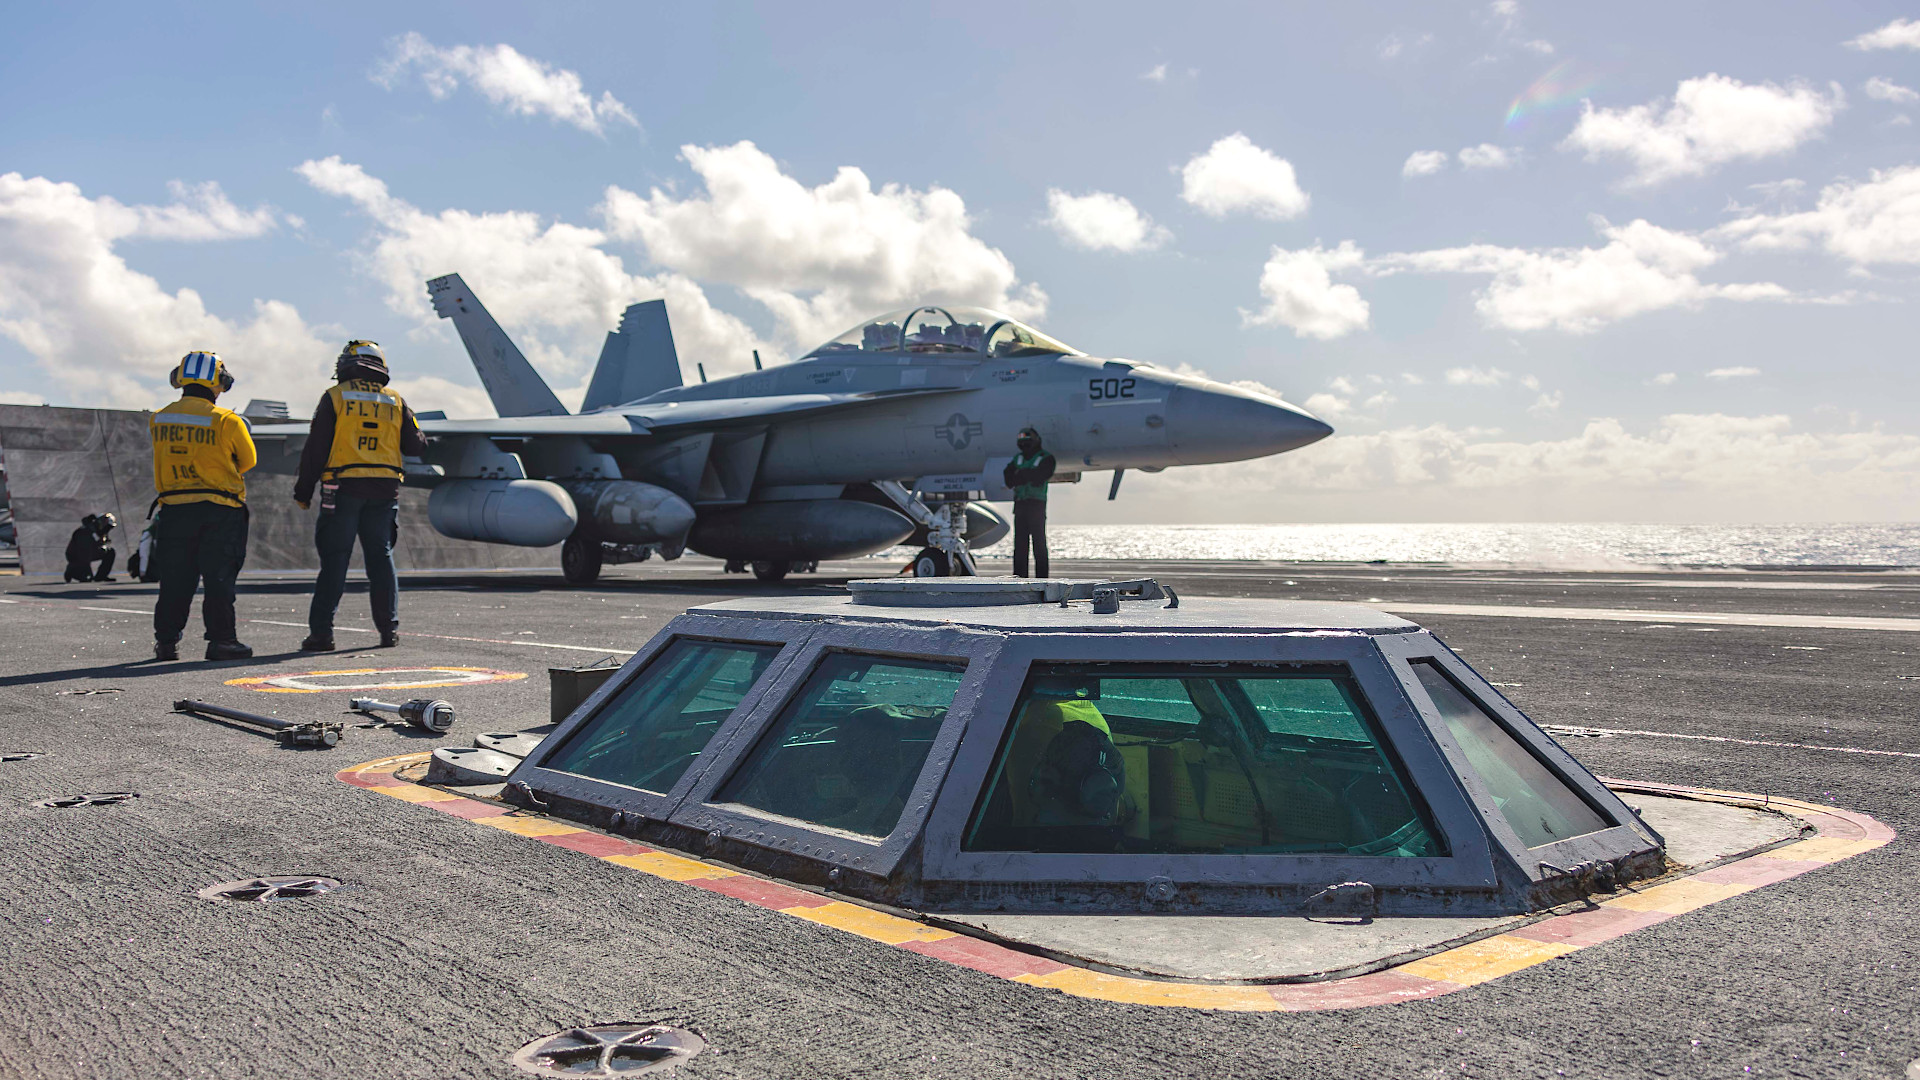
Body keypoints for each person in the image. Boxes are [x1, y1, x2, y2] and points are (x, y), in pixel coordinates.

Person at [293, 340, 425, 652]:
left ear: (344, 366)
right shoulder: (395, 400)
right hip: (384, 490)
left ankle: (322, 635)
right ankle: (388, 632)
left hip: (343, 490)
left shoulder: (335, 398)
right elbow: (416, 446)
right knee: (381, 558)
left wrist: (304, 490)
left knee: (336, 560)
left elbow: (315, 449)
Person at [149, 350, 256, 661]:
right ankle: (222, 641)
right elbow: (248, 461)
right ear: (219, 383)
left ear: (178, 379)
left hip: (174, 509)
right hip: (220, 510)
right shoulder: (227, 421)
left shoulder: (159, 418)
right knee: (218, 578)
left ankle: (166, 642)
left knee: (175, 579)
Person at [1001, 427, 1055, 578]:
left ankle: (1043, 580)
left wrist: (1021, 475)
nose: (1024, 446)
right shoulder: (1018, 458)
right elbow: (1009, 477)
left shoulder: (1045, 457)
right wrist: (1026, 475)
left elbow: (1040, 476)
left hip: (1036, 505)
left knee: (1039, 545)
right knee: (1020, 546)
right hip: (1020, 505)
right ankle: (1019, 579)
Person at [63, 513, 118, 582]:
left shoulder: (99, 532)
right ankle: (71, 571)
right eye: (106, 527)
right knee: (86, 578)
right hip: (75, 555)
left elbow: (96, 544)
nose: (107, 530)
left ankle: (101, 576)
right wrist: (88, 574)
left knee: (110, 552)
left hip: (89, 553)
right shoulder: (85, 532)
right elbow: (84, 553)